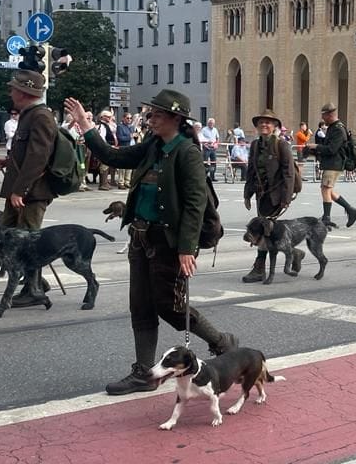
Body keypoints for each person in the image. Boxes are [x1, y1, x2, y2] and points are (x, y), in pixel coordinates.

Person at [64, 90, 239, 395]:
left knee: (171, 307)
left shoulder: (186, 152)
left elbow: (196, 203)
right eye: (150, 114)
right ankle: (144, 373)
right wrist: (85, 126)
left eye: (157, 115)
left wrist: (187, 248)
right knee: (140, 306)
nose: (150, 119)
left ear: (175, 118)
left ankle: (222, 343)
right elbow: (113, 156)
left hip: (167, 241)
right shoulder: (152, 145)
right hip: (141, 237)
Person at [0, 70, 59, 307]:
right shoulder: (29, 115)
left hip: (32, 192)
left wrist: (21, 189)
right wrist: (8, 162)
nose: (10, 92)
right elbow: (27, 154)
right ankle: (36, 281)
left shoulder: (41, 116)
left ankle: (33, 289)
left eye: (13, 88)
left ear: (24, 92)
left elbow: (39, 156)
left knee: (27, 240)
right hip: (21, 189)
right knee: (10, 236)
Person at [242, 109, 296, 282]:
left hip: (276, 195)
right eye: (261, 123)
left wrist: (286, 199)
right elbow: (251, 170)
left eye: (268, 122)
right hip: (261, 194)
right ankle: (294, 253)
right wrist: (247, 194)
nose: (264, 125)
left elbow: (289, 173)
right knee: (270, 232)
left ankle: (259, 268)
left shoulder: (282, 145)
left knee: (265, 231)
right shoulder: (256, 145)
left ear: (274, 127)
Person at [306, 103, 356, 228]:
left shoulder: (338, 128)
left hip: (334, 163)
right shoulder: (333, 127)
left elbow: (332, 149)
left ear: (330, 115)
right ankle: (351, 211)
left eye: (324, 116)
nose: (323, 119)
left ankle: (327, 218)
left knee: (325, 188)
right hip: (332, 163)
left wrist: (316, 147)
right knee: (328, 190)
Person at [95, 110, 118, 190]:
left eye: (110, 117)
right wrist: (107, 146)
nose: (109, 118)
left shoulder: (107, 125)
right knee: (103, 166)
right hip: (105, 147)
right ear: (102, 117)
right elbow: (102, 138)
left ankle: (105, 183)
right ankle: (102, 184)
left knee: (106, 166)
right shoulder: (102, 126)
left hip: (109, 147)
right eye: (107, 117)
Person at [116, 112, 135, 189]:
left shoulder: (131, 127)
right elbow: (120, 138)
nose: (129, 120)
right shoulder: (120, 127)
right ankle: (121, 182)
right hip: (123, 148)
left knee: (129, 166)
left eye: (130, 118)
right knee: (122, 167)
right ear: (123, 118)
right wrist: (130, 137)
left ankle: (127, 181)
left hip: (131, 147)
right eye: (128, 118)